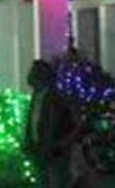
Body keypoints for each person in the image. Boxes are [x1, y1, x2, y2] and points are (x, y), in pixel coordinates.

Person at [23, 59, 79, 188]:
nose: (29, 76)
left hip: (54, 149)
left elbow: (71, 123)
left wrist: (62, 143)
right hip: (40, 147)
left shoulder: (57, 98)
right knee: (44, 180)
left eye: (33, 72)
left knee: (57, 180)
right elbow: (33, 120)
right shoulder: (36, 96)